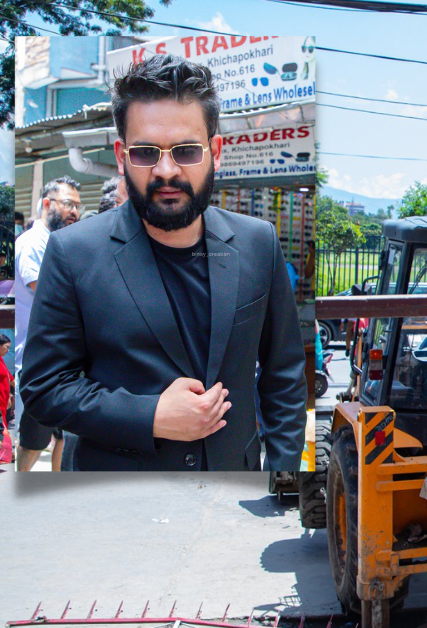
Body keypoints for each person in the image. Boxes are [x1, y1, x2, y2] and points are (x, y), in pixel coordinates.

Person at [20, 55, 307, 471]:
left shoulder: (257, 242)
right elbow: (45, 387)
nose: (167, 170)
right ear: (121, 155)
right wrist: (151, 416)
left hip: (233, 499)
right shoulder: (73, 252)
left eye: (187, 151)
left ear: (215, 152)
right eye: (146, 152)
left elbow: (284, 374)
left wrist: (283, 477)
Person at [14, 176, 81, 472]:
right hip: (35, 362)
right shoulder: (32, 243)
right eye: (67, 204)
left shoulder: (55, 242)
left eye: (77, 206)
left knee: (61, 438)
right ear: (46, 203)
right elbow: (41, 288)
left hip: (59, 361)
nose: (74, 212)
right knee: (33, 442)